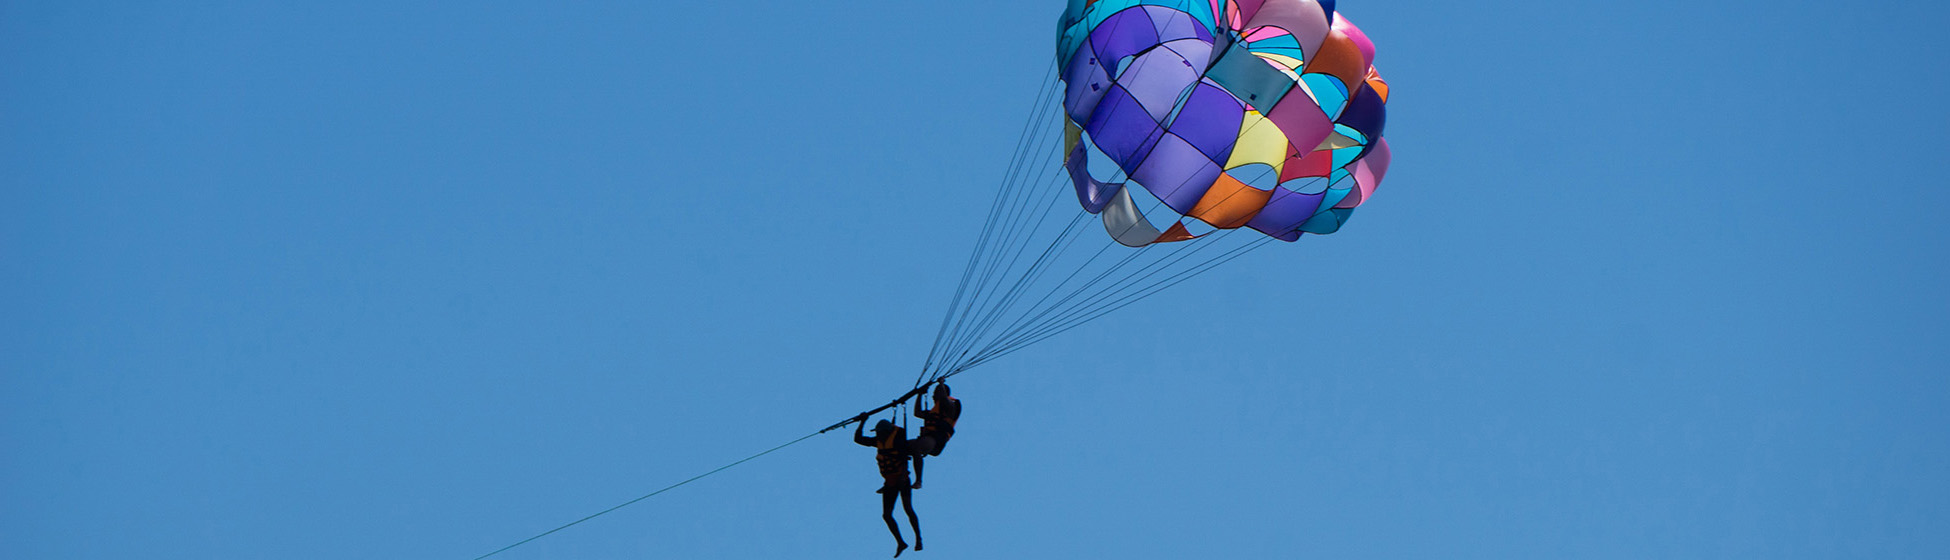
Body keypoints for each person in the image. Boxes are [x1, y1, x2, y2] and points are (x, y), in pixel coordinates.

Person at [854, 416, 921, 556]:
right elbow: (858, 439)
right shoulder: (877, 441)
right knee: (886, 515)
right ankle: (901, 542)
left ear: (886, 432)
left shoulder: (898, 442)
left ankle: (918, 539)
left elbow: (911, 457)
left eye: (880, 433)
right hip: (889, 483)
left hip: (902, 481)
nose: (878, 436)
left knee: (908, 508)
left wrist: (916, 479)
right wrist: (862, 421)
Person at [908, 382, 962, 489]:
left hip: (936, 441)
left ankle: (919, 481)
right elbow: (917, 413)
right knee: (900, 446)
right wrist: (919, 394)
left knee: (917, 448)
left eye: (935, 393)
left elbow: (944, 399)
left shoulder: (952, 406)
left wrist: (941, 384)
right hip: (927, 439)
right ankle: (898, 480)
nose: (933, 396)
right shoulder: (934, 411)